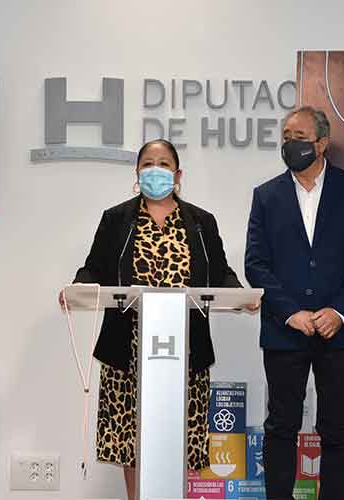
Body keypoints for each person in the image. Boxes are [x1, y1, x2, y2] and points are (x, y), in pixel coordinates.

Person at [61, 139, 249, 500]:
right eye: (148, 163)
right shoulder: (117, 219)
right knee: (130, 440)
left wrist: (240, 296)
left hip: (186, 351)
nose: (155, 170)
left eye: (164, 164)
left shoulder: (201, 221)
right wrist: (77, 288)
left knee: (175, 434)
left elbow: (220, 274)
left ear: (178, 175)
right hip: (126, 352)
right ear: (137, 173)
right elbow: (94, 269)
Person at [245, 107, 344, 500]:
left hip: (340, 330)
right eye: (286, 135)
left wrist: (338, 311)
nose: (291, 143)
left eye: (300, 135)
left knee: (337, 428)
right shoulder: (266, 195)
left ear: (322, 143)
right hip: (285, 330)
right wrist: (290, 313)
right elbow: (256, 263)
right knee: (281, 427)